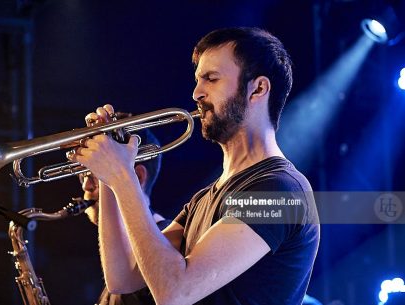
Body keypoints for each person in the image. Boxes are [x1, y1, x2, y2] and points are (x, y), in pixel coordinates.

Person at [71, 27, 320, 305]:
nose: (196, 94)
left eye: (211, 79)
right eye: (198, 80)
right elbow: (123, 278)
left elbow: (175, 293)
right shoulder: (203, 199)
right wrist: (107, 176)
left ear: (258, 88)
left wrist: (122, 175)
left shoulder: (279, 190)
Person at [79, 126, 171, 304]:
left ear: (137, 176)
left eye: (95, 174)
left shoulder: (165, 243)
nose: (86, 186)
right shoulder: (118, 255)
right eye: (83, 176)